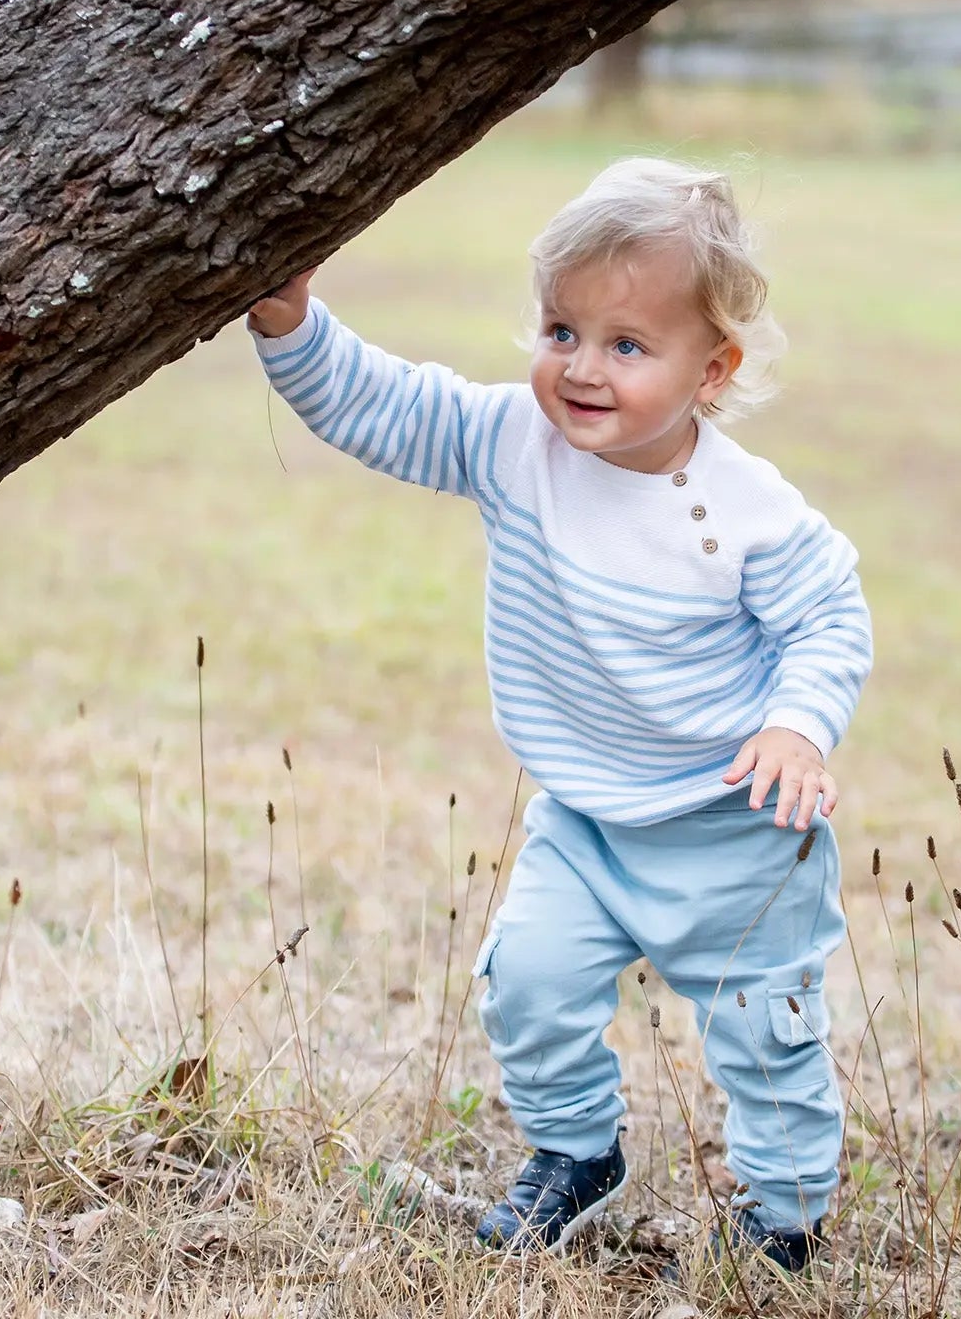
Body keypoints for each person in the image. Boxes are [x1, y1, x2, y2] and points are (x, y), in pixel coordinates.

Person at [248, 157, 873, 1270]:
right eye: (560, 330)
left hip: (733, 829)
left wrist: (799, 726)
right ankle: (575, 1150)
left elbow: (829, 621)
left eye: (628, 346)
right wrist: (295, 324)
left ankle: (782, 1215)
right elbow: (382, 405)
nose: (582, 369)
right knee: (525, 982)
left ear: (712, 371)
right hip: (584, 819)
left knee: (764, 1036)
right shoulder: (512, 444)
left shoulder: (744, 511)